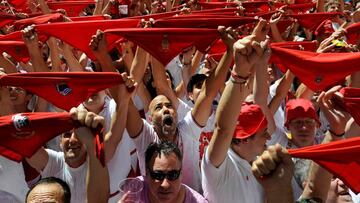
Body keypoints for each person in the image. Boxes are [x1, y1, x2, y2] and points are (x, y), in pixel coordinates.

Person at [201, 19, 273, 203]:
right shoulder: (219, 166)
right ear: (241, 140)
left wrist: (259, 56)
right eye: (263, 134)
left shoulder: (259, 165)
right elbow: (223, 130)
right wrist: (238, 73)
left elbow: (260, 99)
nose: (269, 138)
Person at [119, 141, 207, 203]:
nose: (165, 185)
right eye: (158, 175)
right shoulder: (134, 191)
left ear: (181, 174)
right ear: (146, 174)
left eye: (172, 175)